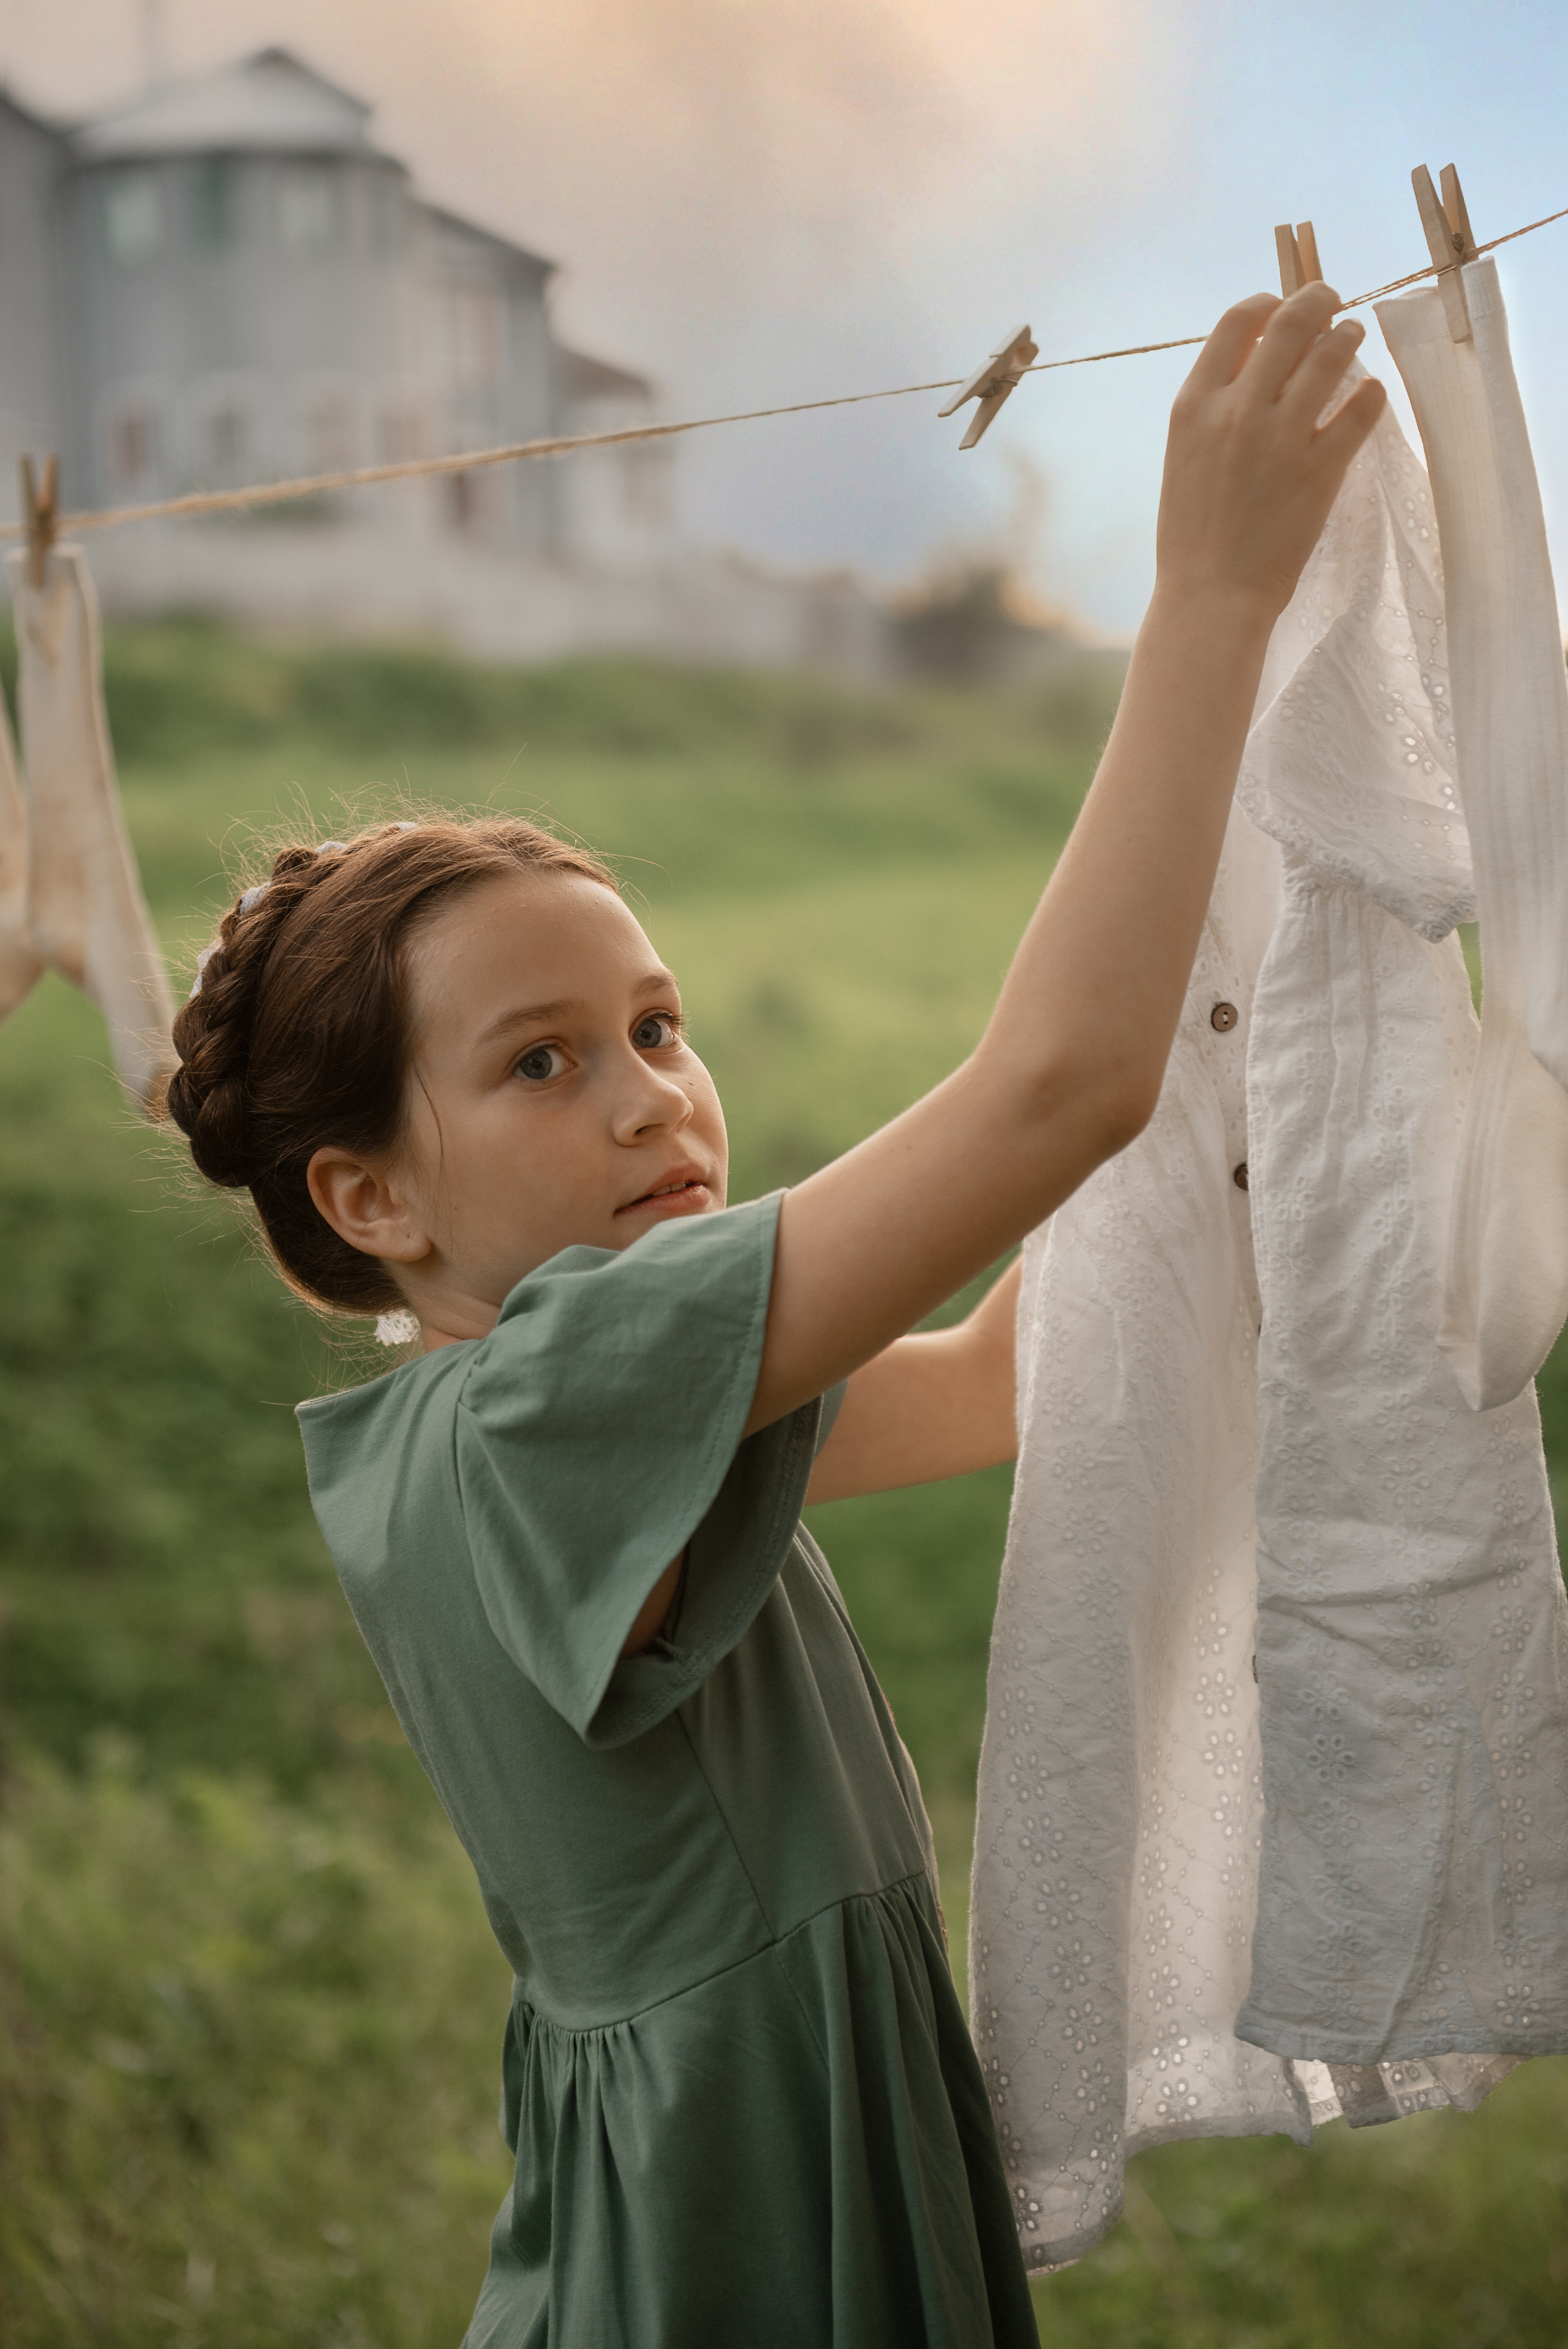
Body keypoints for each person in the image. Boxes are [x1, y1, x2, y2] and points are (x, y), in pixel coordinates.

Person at [159, 284, 1383, 2348]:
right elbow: (1057, 1086)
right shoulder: (556, 1402)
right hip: (739, 2191)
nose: (651, 1093)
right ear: (368, 1197)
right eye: (539, 1064)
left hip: (744, 2125)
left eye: (656, 1021)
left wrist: (1270, 1064)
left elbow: (1009, 1379)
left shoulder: (572, 1412)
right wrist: (1210, 598)